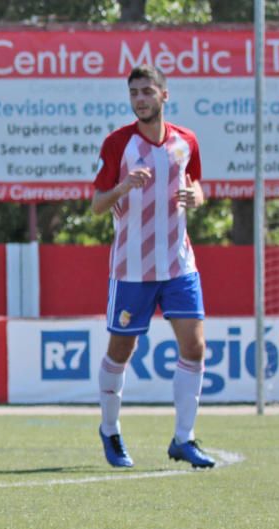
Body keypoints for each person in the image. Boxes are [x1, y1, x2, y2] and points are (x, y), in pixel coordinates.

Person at [91, 64, 214, 470]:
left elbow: (196, 183)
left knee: (194, 348)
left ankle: (184, 439)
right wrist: (123, 187)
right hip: (132, 270)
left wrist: (197, 196)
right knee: (120, 351)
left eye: (147, 91)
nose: (140, 99)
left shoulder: (185, 142)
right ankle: (110, 429)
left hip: (179, 264)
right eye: (134, 93)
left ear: (164, 95)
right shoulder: (118, 145)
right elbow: (96, 205)